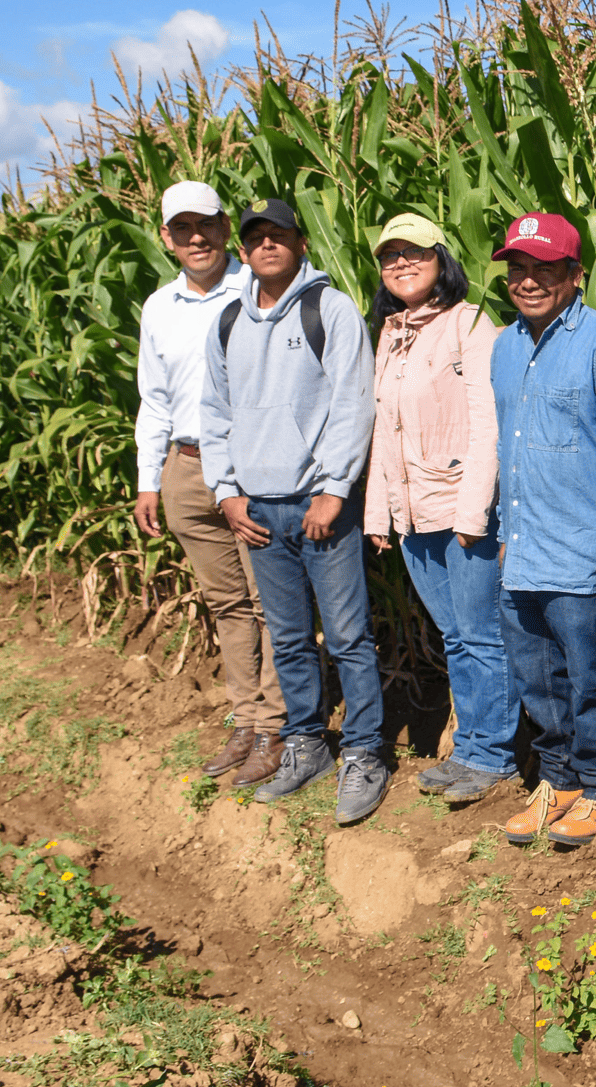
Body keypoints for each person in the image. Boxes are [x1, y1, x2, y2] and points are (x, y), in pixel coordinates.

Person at [200, 198, 389, 826]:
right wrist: (225, 493)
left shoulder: (327, 309)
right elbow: (215, 414)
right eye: (255, 238)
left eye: (278, 235)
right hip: (257, 511)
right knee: (287, 639)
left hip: (318, 506)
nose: (266, 245)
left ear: (301, 243)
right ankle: (306, 744)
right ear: (244, 250)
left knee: (347, 636)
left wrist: (335, 489)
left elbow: (352, 401)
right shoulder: (227, 321)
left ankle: (364, 751)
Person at [486, 213, 596, 848]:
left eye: (544, 270)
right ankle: (559, 781)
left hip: (581, 554)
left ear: (576, 275)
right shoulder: (502, 345)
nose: (528, 281)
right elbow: (507, 448)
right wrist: (502, 530)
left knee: (590, 681)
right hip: (522, 551)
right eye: (518, 270)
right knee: (536, 682)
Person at [131, 181, 285, 787]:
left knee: (271, 602)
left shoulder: (261, 288)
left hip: (252, 465)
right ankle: (246, 719)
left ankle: (277, 725)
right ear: (166, 237)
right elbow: (154, 398)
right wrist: (150, 479)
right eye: (182, 228)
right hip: (186, 467)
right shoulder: (158, 308)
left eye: (208, 225)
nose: (196, 238)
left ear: (226, 228)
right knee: (227, 602)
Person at [361, 212, 513, 806]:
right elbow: (385, 432)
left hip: (460, 511)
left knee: (482, 635)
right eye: (390, 254)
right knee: (455, 635)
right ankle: (473, 743)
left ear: (441, 260)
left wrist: (474, 514)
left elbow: (488, 425)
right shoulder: (393, 333)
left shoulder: (469, 325)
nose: (401, 262)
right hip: (412, 515)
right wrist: (380, 515)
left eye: (415, 252)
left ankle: (492, 754)